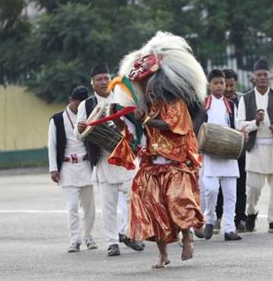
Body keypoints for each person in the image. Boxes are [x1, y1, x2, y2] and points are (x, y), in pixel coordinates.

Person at [116, 31, 206, 268]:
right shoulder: (146, 106)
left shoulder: (175, 103)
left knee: (180, 202)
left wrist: (146, 120)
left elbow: (172, 125)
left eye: (148, 83)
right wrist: (138, 118)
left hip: (175, 164)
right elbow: (137, 129)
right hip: (151, 164)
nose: (146, 87)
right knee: (153, 210)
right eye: (143, 84)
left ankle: (187, 239)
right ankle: (163, 254)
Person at [74, 63, 139, 256]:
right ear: (92, 83)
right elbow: (78, 134)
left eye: (106, 78)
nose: (103, 82)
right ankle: (112, 243)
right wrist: (79, 130)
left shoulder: (121, 98)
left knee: (135, 200)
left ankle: (128, 233)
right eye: (99, 79)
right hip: (103, 159)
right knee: (108, 205)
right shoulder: (87, 104)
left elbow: (133, 126)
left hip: (125, 156)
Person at [237, 58, 273, 233]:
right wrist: (255, 123)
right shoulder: (246, 98)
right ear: (253, 77)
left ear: (270, 76)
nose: (262, 78)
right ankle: (251, 212)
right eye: (258, 75)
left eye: (265, 75)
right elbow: (239, 124)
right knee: (254, 187)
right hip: (256, 147)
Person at [48, 85, 98, 253]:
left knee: (89, 206)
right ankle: (74, 240)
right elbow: (52, 145)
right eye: (78, 103)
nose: (80, 107)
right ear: (71, 100)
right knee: (72, 207)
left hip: (86, 166)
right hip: (67, 167)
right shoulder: (56, 119)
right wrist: (53, 169)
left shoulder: (90, 116)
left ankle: (88, 236)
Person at [201, 69, 242, 241]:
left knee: (231, 194)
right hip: (210, 153)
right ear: (209, 85)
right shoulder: (203, 104)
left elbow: (237, 125)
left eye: (222, 83)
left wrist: (242, 133)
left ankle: (229, 229)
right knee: (210, 190)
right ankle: (209, 219)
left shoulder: (231, 105)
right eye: (216, 83)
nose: (219, 86)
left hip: (228, 152)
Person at [213, 69, 248, 233]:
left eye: (230, 85)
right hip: (215, 150)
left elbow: (242, 124)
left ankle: (239, 219)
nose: (227, 89)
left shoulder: (241, 101)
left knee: (238, 186)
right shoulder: (208, 104)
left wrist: (244, 133)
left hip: (236, 149)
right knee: (214, 188)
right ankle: (215, 218)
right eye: (223, 84)